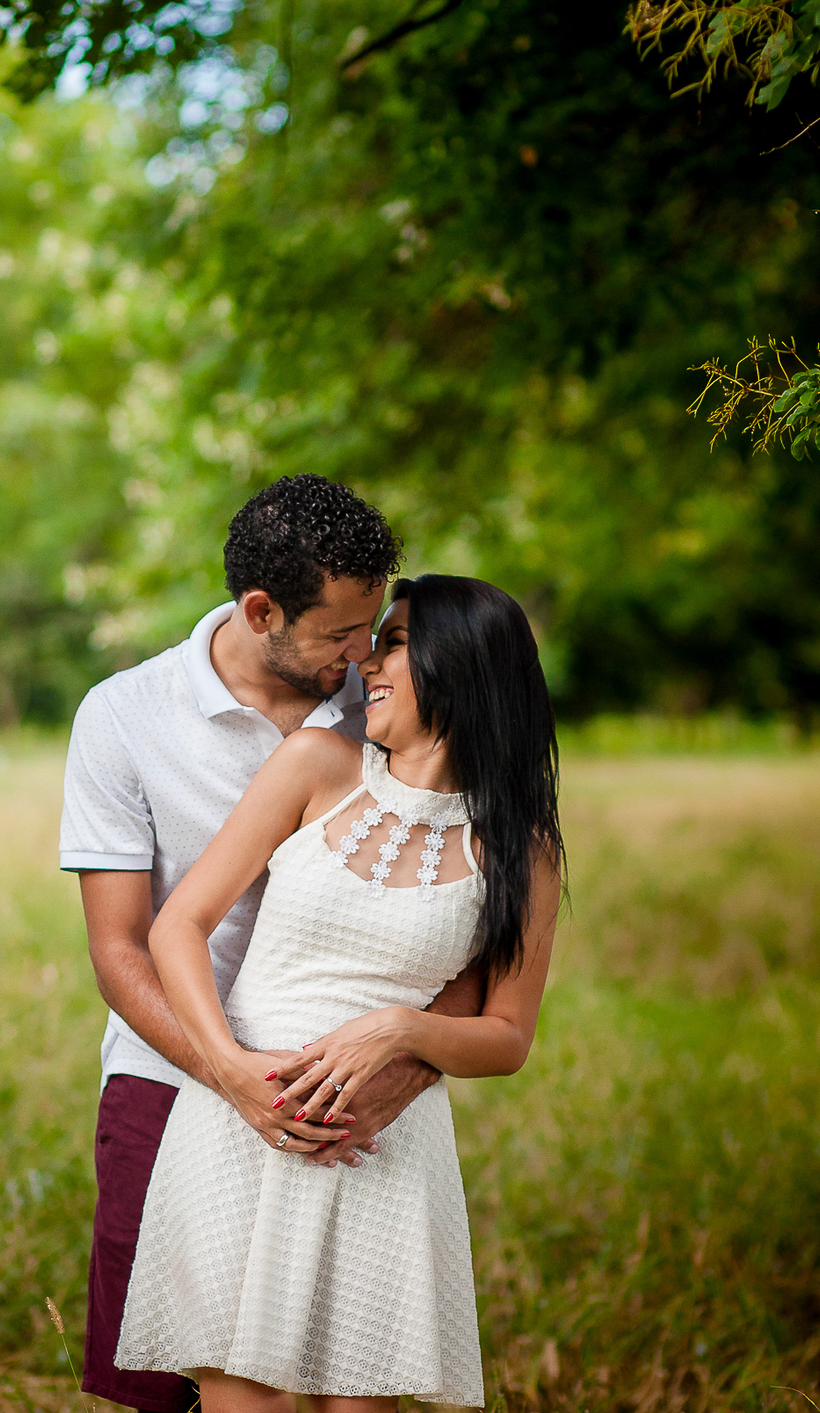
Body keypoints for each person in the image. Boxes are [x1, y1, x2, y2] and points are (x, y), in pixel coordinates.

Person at [59, 478, 485, 1412]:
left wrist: (396, 1070)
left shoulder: (382, 710)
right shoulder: (125, 717)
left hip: (349, 1097)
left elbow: (471, 930)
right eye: (339, 633)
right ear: (262, 612)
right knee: (171, 1385)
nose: (361, 654)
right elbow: (122, 948)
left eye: (373, 629)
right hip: (171, 1073)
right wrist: (233, 1075)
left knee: (343, 1362)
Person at [115, 573, 564, 1412]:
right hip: (240, 1124)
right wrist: (232, 1071)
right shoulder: (319, 766)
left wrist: (400, 1030)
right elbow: (179, 925)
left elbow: (508, 1036)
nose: (370, 664)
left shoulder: (518, 846)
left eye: (395, 643)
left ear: (461, 664)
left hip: (381, 1146)